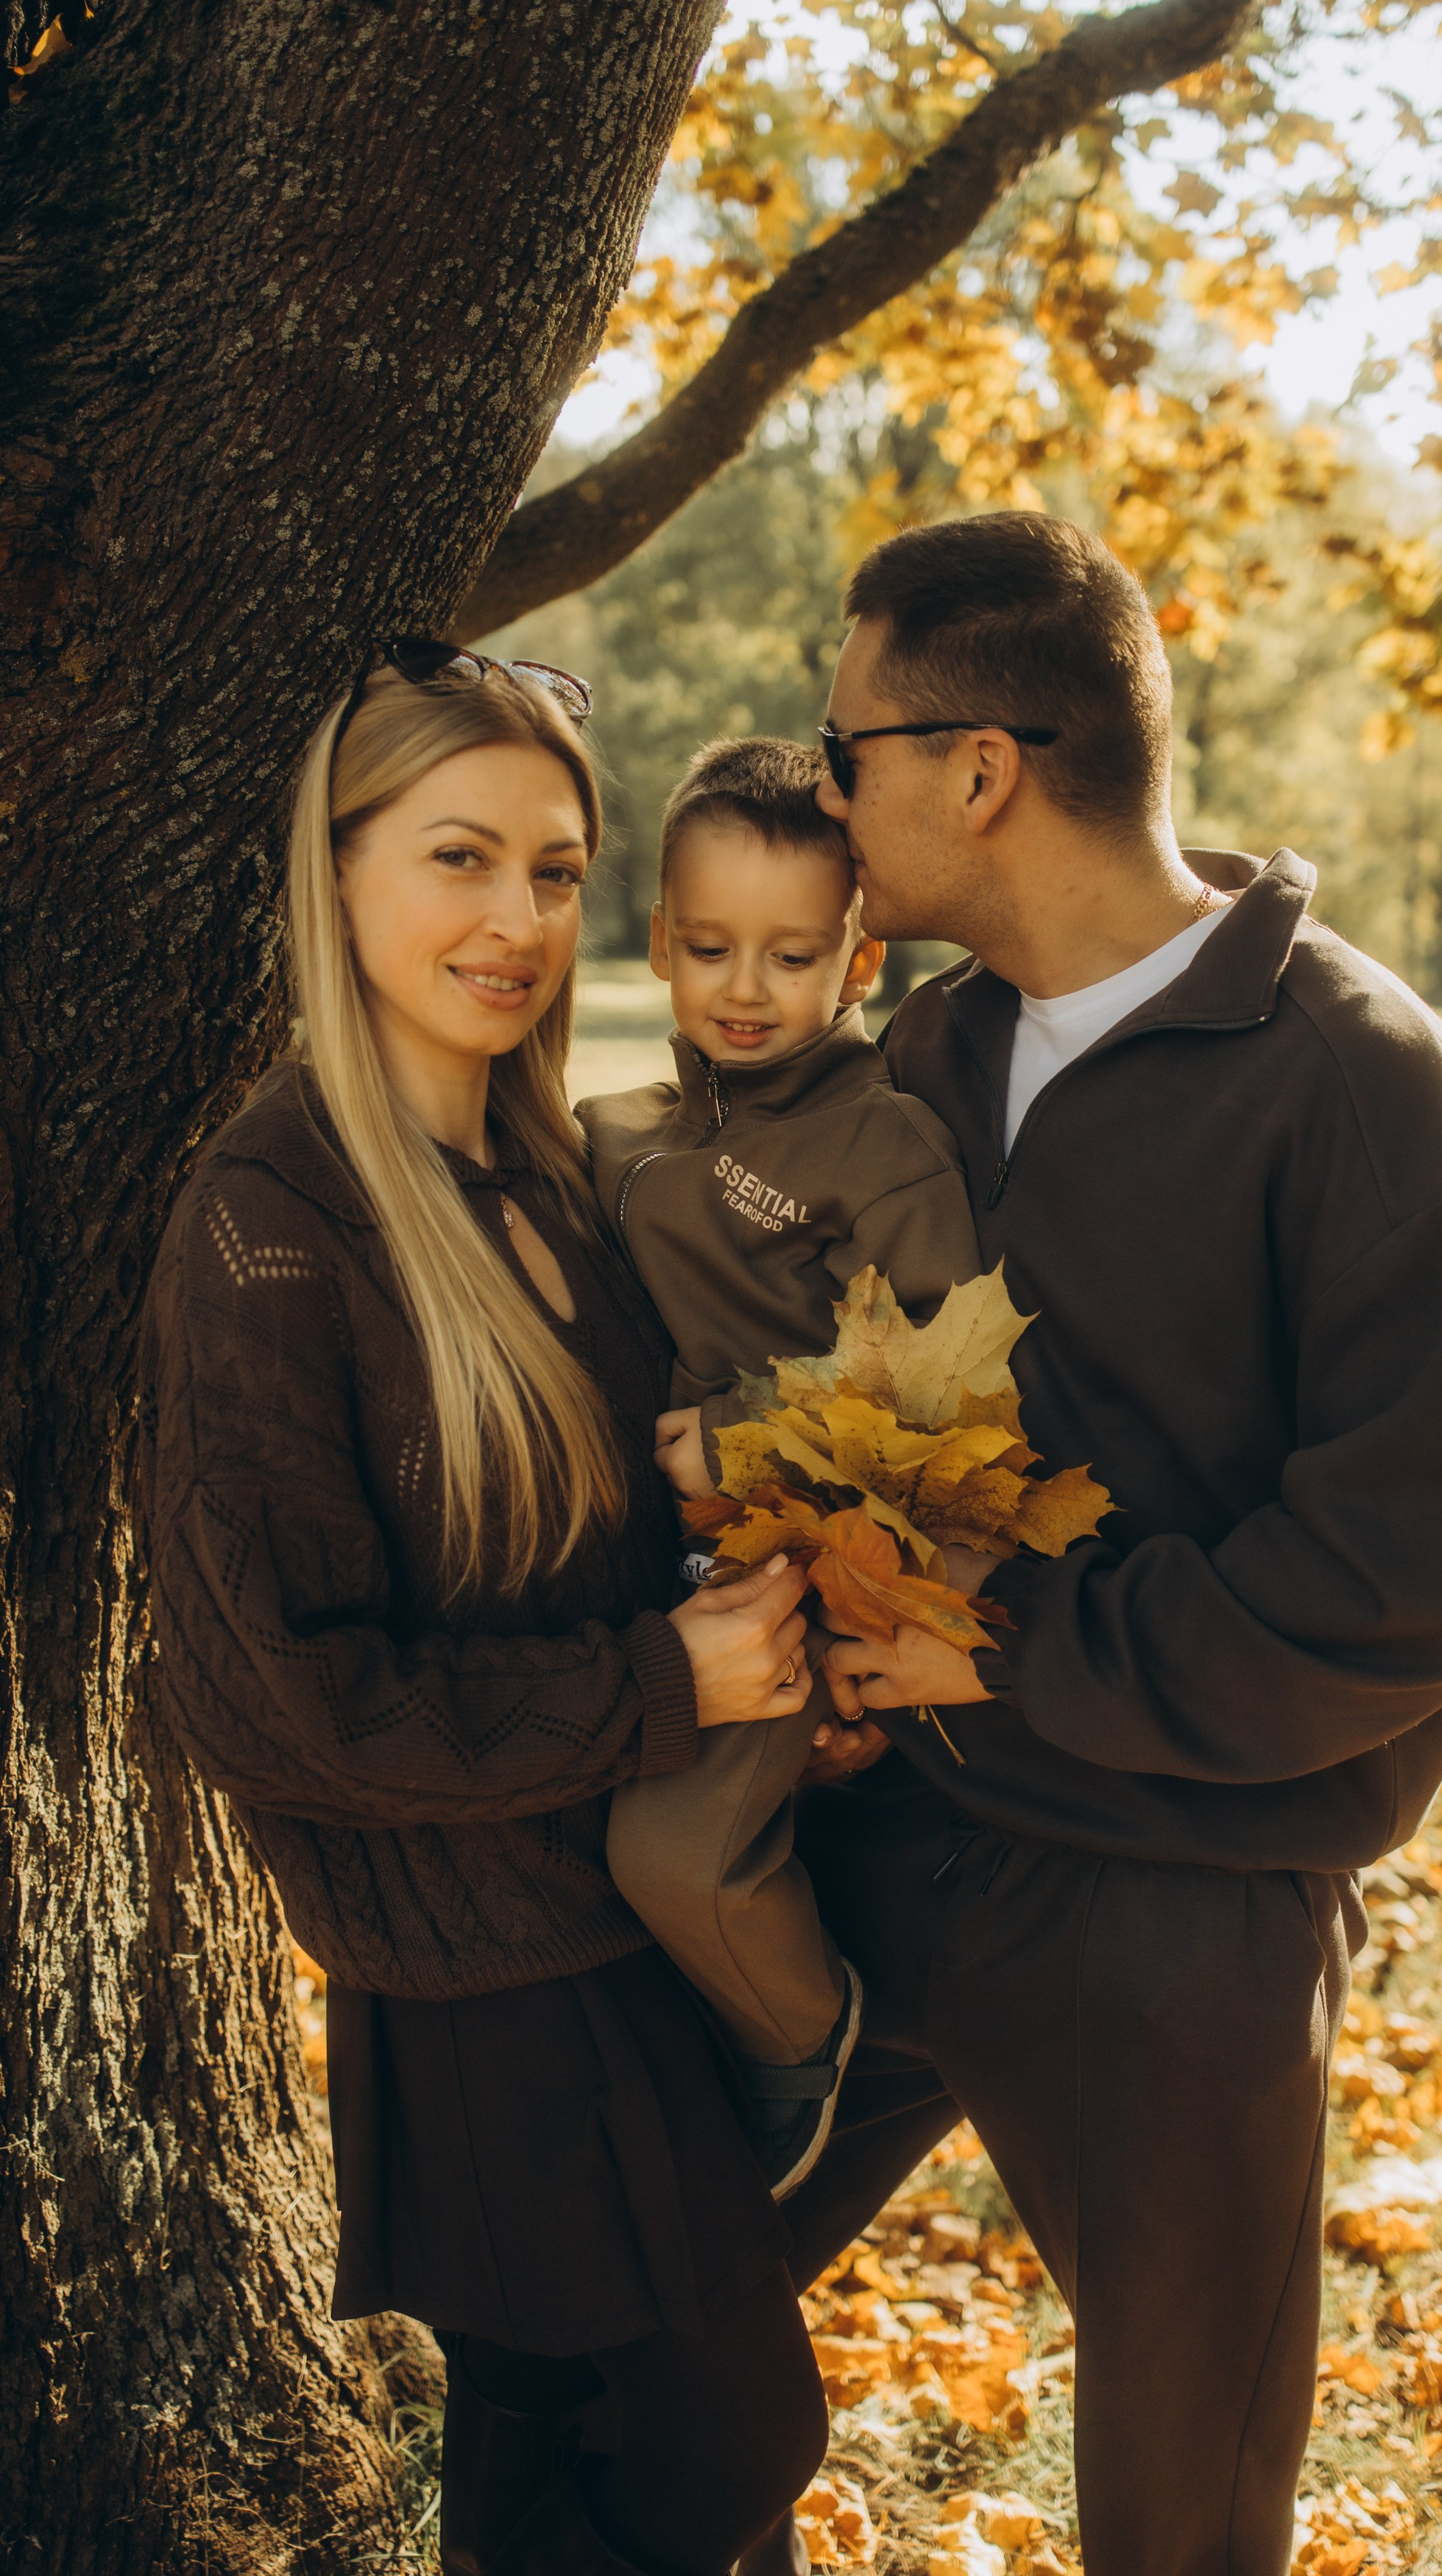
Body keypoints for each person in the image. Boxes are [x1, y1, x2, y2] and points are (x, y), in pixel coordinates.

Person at [776, 514, 1442, 2575]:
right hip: (865, 1830)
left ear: (976, 767)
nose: (820, 792)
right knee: (620, 2293)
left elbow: (1415, 1576)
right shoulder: (921, 1058)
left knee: (1178, 2507)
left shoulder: (1354, 1076)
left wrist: (1013, 1654)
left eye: (841, 746)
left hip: (1171, 1897)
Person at [135, 645, 828, 2576]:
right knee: (738, 2422)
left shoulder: (549, 1169)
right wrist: (653, 1678)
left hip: (636, 1898)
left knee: (559, 2439)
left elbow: (589, 1543)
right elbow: (274, 1700)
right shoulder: (276, 1218)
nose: (513, 919)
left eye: (550, 868)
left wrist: (726, 1544)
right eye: (456, 857)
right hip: (488, 1971)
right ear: (337, 872)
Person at [580, 736, 980, 2196]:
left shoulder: (880, 1146)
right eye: (710, 946)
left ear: (858, 961)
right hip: (629, 1570)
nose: (746, 988)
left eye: (792, 952)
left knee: (673, 1850)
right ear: (660, 943)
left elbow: (939, 1398)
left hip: (791, 1568)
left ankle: (808, 2035)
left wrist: (750, 1436)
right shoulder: (618, 1134)